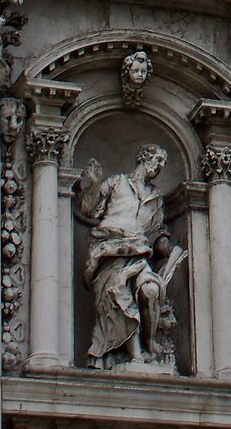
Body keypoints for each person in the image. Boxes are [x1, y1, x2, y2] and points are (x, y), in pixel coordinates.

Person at [75, 145, 187, 372]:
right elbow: (89, 210)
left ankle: (149, 345)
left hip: (140, 253)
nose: (160, 167)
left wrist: (170, 250)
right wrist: (95, 183)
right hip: (109, 250)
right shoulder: (116, 182)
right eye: (157, 160)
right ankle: (135, 356)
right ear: (143, 158)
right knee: (119, 296)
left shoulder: (155, 198)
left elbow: (157, 234)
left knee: (151, 291)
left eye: (163, 164)